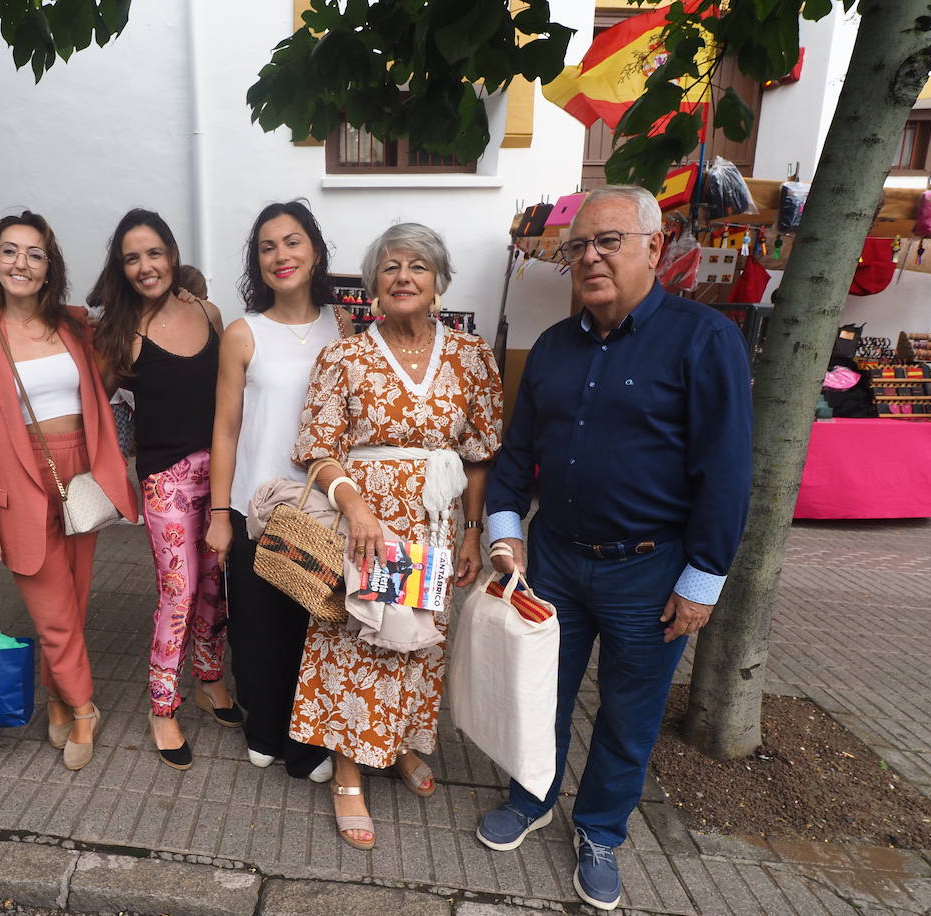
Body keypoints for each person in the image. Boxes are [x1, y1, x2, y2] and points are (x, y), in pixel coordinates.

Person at [479, 185, 753, 912]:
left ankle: (600, 830)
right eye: (579, 245)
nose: (590, 256)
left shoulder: (704, 339)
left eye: (609, 241)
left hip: (650, 568)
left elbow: (726, 471)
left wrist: (702, 582)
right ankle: (530, 796)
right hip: (555, 562)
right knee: (539, 694)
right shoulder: (551, 348)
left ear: (654, 248)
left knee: (629, 714)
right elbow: (515, 459)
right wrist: (505, 535)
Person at [289, 222, 503, 849]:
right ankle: (349, 769)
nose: (403, 277)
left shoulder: (471, 355)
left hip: (434, 526)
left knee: (418, 642)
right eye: (389, 267)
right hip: (371, 526)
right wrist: (354, 507)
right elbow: (315, 450)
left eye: (416, 266)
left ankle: (399, 744)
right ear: (374, 284)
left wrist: (471, 530)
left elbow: (479, 453)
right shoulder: (345, 355)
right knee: (360, 639)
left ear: (438, 281)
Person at [0, 211, 137, 771]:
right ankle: (84, 707)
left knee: (74, 602)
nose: (21, 263)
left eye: (35, 254)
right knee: (51, 608)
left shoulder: (75, 325)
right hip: (19, 479)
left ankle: (57, 694)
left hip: (79, 472)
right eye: (10, 252)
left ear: (49, 266)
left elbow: (131, 320)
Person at [204, 201, 347, 784]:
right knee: (258, 626)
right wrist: (218, 512)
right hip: (253, 507)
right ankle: (265, 726)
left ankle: (309, 739)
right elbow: (226, 427)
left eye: (292, 242)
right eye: (267, 247)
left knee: (317, 622)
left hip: (324, 505)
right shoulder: (244, 333)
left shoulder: (348, 327)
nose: (281, 256)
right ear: (257, 262)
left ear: (314, 250)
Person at [90, 208, 235, 771]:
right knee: (179, 593)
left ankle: (208, 678)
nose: (145, 266)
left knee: (215, 585)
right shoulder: (119, 334)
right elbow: (95, 406)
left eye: (154, 253)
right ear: (121, 268)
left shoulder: (209, 312)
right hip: (166, 483)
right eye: (132, 258)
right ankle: (162, 705)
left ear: (172, 254)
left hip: (220, 472)